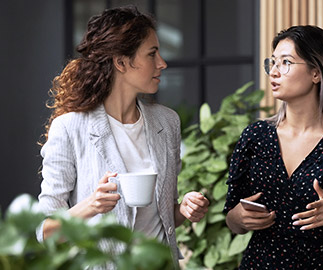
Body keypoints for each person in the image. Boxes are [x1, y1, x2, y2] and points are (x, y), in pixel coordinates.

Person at [36, 5, 209, 267]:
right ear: (121, 62)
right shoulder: (69, 128)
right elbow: (44, 231)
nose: (162, 63)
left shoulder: (167, 122)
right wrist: (91, 206)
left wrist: (183, 209)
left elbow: (162, 218)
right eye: (152, 54)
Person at [223, 25, 323, 269]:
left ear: (316, 73)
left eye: (286, 62)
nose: (274, 72)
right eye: (272, 62)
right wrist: (239, 217)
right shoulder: (254, 137)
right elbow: (233, 222)